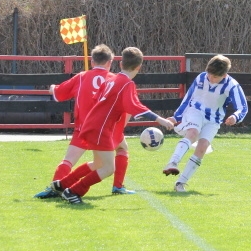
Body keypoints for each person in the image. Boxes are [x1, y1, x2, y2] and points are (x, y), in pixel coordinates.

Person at [51, 47, 175, 205]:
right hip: (101, 129)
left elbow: (98, 100)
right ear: (139, 67)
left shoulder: (111, 79)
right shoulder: (126, 84)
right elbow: (136, 106)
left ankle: (61, 184)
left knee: (98, 163)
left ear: (121, 63)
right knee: (109, 168)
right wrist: (161, 120)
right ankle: (74, 191)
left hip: (92, 125)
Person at [33, 44, 137, 197]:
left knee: (69, 161)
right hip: (105, 129)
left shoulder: (81, 77)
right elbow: (127, 107)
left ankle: (54, 187)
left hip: (83, 127)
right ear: (110, 63)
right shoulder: (115, 80)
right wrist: (119, 129)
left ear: (92, 62)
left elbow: (59, 94)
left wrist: (53, 88)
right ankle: (117, 187)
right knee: (119, 150)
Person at [162, 55, 248, 192]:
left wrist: (235, 117)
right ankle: (173, 162)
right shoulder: (201, 78)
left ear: (224, 75)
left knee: (202, 147)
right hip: (195, 111)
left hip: (214, 119)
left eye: (215, 77)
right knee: (193, 133)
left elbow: (243, 107)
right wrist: (175, 117)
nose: (211, 79)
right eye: (209, 74)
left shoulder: (232, 85)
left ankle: (180, 183)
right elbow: (188, 98)